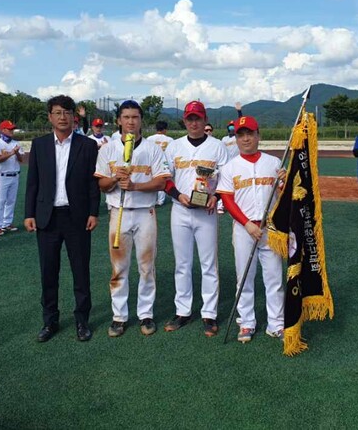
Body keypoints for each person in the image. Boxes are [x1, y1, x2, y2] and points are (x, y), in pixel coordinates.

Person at [24, 95, 100, 343]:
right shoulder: (40, 145)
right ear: (50, 117)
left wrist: (93, 212)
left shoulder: (87, 145)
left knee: (80, 271)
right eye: (57, 112)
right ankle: (50, 321)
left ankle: (82, 320)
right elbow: (33, 182)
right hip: (47, 218)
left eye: (67, 112)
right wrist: (29, 214)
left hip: (77, 217)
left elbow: (92, 183)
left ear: (74, 117)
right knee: (49, 272)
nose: (62, 117)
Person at [95, 101, 170, 337]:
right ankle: (119, 316)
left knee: (147, 267)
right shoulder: (107, 149)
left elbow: (162, 181)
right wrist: (115, 178)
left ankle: (146, 314)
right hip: (118, 212)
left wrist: (136, 185)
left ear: (141, 121)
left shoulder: (153, 148)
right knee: (119, 268)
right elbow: (101, 184)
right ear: (118, 120)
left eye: (135, 117)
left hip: (144, 212)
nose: (130, 121)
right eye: (126, 117)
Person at [163, 100, 229, 337]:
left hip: (206, 213)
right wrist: (178, 195)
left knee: (208, 264)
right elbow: (165, 178)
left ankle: (209, 313)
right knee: (182, 264)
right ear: (184, 120)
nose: (194, 123)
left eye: (197, 118)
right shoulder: (174, 147)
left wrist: (216, 197)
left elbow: (226, 179)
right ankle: (183, 311)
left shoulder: (218, 146)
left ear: (205, 120)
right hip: (180, 210)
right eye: (190, 119)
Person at [217, 116, 285, 343]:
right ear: (236, 138)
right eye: (241, 135)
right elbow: (227, 200)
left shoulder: (274, 163)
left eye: (250, 134)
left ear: (258, 135)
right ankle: (246, 322)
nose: (245, 139)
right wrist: (246, 223)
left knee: (274, 277)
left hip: (270, 227)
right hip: (243, 228)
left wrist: (286, 182)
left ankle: (276, 324)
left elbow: (284, 196)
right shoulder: (230, 167)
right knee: (244, 277)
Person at [0, 120, 24, 236]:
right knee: (0, 201)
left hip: (15, 174)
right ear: (3, 130)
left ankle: (7, 223)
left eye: (12, 129)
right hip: (2, 175)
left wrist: (17, 153)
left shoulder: (16, 143)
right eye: (9, 129)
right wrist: (11, 153)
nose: (12, 131)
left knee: (11, 200)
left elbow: (21, 160)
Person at [147, 120, 174, 206]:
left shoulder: (149, 139)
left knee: (152, 180)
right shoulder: (170, 139)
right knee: (163, 181)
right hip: (165, 163)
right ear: (165, 129)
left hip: (152, 162)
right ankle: (161, 200)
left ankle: (153, 199)